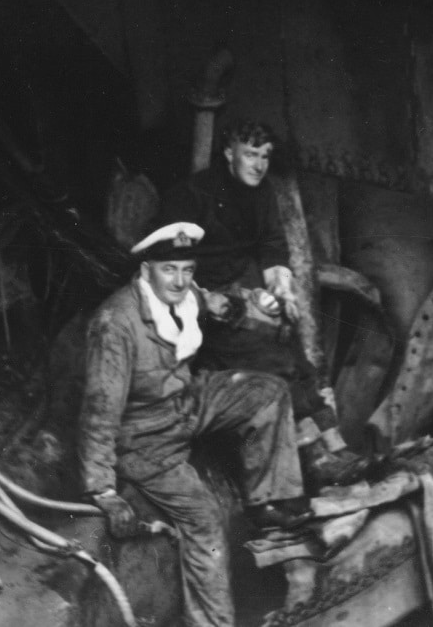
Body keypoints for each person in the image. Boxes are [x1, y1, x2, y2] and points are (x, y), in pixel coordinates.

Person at [81, 221, 311, 627]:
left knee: (268, 392)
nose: (180, 279)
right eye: (170, 270)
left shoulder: (185, 296)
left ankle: (269, 503)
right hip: (147, 439)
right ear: (147, 268)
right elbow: (101, 410)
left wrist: (255, 305)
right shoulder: (116, 323)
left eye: (187, 269)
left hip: (186, 405)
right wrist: (103, 490)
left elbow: (218, 304)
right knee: (204, 524)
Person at [158, 123, 367, 486]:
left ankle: (335, 445)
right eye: (250, 154)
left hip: (246, 291)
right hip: (206, 305)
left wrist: (282, 291)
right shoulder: (191, 195)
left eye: (265, 156)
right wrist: (209, 300)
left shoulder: (263, 192)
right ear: (229, 153)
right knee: (270, 357)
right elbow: (169, 265)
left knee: (295, 345)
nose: (258, 165)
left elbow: (272, 247)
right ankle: (311, 457)